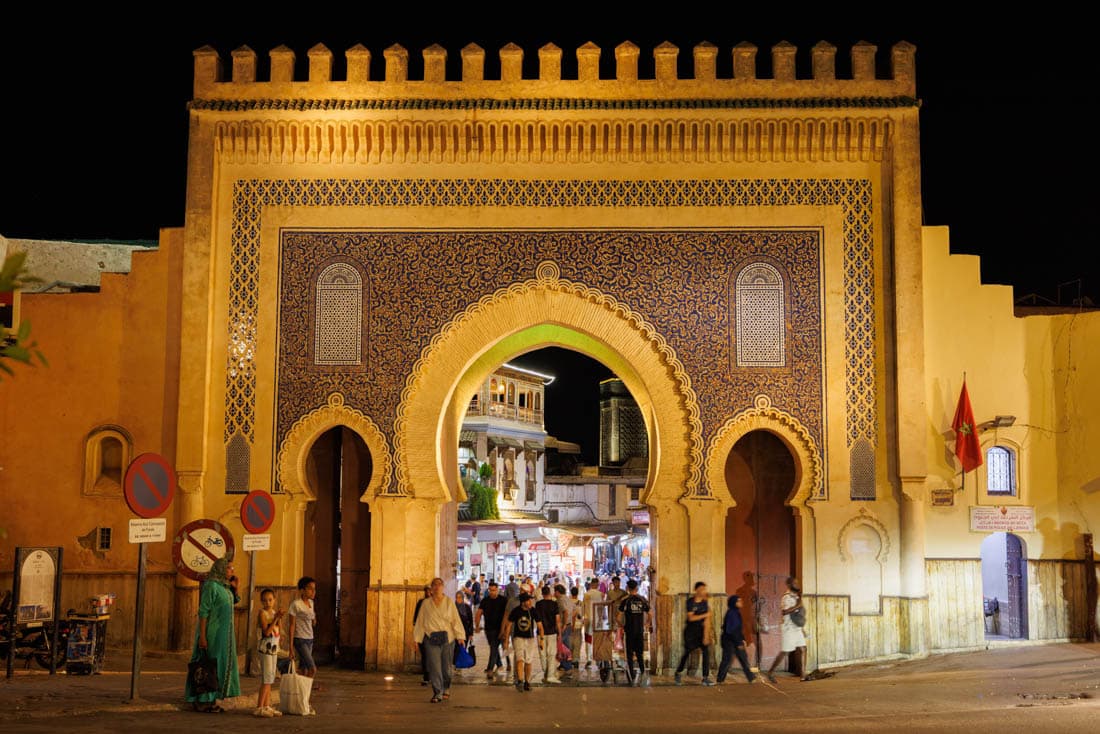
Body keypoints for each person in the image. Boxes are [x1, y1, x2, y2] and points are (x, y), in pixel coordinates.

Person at [185, 557, 241, 713]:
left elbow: (230, 603)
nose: (232, 571)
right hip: (213, 633)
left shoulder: (225, 587)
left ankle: (213, 699)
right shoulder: (211, 586)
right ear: (221, 569)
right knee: (209, 666)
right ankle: (202, 701)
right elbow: (203, 612)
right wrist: (202, 636)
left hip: (226, 635)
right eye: (229, 568)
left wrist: (235, 588)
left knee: (219, 666)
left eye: (232, 568)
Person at [412, 577, 467, 703]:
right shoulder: (426, 604)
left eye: (439, 585)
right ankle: (437, 692)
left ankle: (446, 687)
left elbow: (455, 620)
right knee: (434, 667)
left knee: (446, 668)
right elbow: (420, 622)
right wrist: (417, 639)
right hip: (431, 639)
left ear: (443, 587)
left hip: (448, 639)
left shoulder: (449, 602)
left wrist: (460, 636)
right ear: (431, 588)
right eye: (434, 585)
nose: (437, 587)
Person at [766, 577, 808, 683]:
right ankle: (770, 672)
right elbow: (785, 612)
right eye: (795, 583)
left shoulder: (796, 596)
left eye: (797, 582)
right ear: (789, 585)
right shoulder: (786, 597)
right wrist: (798, 605)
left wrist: (802, 628)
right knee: (785, 652)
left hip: (796, 628)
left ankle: (803, 675)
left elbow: (799, 615)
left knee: (803, 648)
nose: (797, 584)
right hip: (788, 628)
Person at [674, 581, 714, 686]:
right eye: (701, 589)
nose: (703, 591)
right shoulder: (690, 602)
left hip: (701, 631)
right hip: (690, 632)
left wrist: (706, 635)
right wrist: (706, 614)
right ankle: (678, 672)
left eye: (704, 589)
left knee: (706, 652)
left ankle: (705, 678)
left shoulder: (705, 603)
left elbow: (707, 620)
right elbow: (691, 618)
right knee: (687, 652)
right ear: (696, 590)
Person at [254, 588, 284, 717]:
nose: (268, 602)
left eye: (270, 600)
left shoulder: (273, 612)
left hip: (273, 649)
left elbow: (280, 630)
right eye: (265, 600)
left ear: (274, 600)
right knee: (266, 679)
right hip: (265, 649)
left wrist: (279, 617)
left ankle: (267, 706)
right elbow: (266, 632)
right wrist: (276, 618)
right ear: (261, 601)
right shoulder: (262, 613)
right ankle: (259, 707)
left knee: (271, 678)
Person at [287, 576, 318, 695]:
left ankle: (298, 695)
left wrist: (314, 620)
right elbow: (291, 625)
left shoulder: (311, 603)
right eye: (310, 589)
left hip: (310, 638)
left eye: (314, 589)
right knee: (312, 668)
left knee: (304, 669)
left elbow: (312, 617)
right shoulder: (296, 604)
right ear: (303, 590)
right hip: (300, 639)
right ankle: (305, 693)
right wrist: (290, 647)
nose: (313, 592)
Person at [716, 594, 756, 685]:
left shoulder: (735, 612)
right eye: (739, 601)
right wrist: (739, 642)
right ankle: (720, 679)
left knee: (743, 658)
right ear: (734, 603)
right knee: (727, 659)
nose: (741, 602)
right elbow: (731, 630)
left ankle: (751, 677)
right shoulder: (732, 613)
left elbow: (738, 628)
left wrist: (742, 639)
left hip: (735, 639)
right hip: (730, 641)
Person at [502, 592, 538, 691]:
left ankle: (527, 682)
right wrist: (506, 639)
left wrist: (541, 639)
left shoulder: (533, 611)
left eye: (530, 600)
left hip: (530, 638)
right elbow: (508, 625)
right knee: (520, 659)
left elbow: (539, 624)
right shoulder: (516, 611)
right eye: (528, 600)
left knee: (528, 661)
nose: (530, 602)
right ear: (523, 602)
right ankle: (520, 681)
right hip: (518, 638)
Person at [618, 579, 650, 686]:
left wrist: (622, 625)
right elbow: (650, 614)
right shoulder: (642, 599)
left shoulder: (625, 600)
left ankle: (631, 677)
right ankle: (643, 673)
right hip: (639, 631)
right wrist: (647, 624)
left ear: (627, 589)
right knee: (640, 654)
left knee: (630, 655)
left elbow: (618, 617)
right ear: (636, 588)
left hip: (629, 631)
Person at [475, 581, 508, 680]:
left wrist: (506, 629)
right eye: (490, 590)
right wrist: (477, 625)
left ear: (497, 590)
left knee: (493, 647)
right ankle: (499, 663)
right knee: (493, 647)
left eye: (494, 590)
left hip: (499, 629)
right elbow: (479, 613)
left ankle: (490, 669)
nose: (492, 592)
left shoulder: (503, 600)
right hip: (488, 629)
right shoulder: (485, 600)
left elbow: (507, 615)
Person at [534, 586, 562, 684]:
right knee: (551, 654)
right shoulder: (554, 604)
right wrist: (559, 633)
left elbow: (536, 619)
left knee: (542, 654)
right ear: (550, 593)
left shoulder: (538, 604)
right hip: (551, 632)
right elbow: (557, 620)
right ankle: (550, 675)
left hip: (540, 633)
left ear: (542, 593)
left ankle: (546, 673)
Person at [582, 578, 603, 668]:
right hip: (597, 619)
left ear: (591, 584)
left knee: (588, 638)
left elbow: (583, 607)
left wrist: (583, 617)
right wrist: (601, 619)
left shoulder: (586, 594)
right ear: (597, 585)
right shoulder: (600, 594)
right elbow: (601, 607)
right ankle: (598, 657)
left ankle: (589, 658)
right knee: (598, 639)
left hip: (588, 618)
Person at [413, 585, 432, 685]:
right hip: (423, 633)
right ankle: (426, 677)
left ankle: (432, 676)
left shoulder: (435, 603)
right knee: (425, 655)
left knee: (433, 656)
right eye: (426, 591)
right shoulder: (421, 602)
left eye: (429, 590)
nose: (428, 592)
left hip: (433, 634)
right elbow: (416, 620)